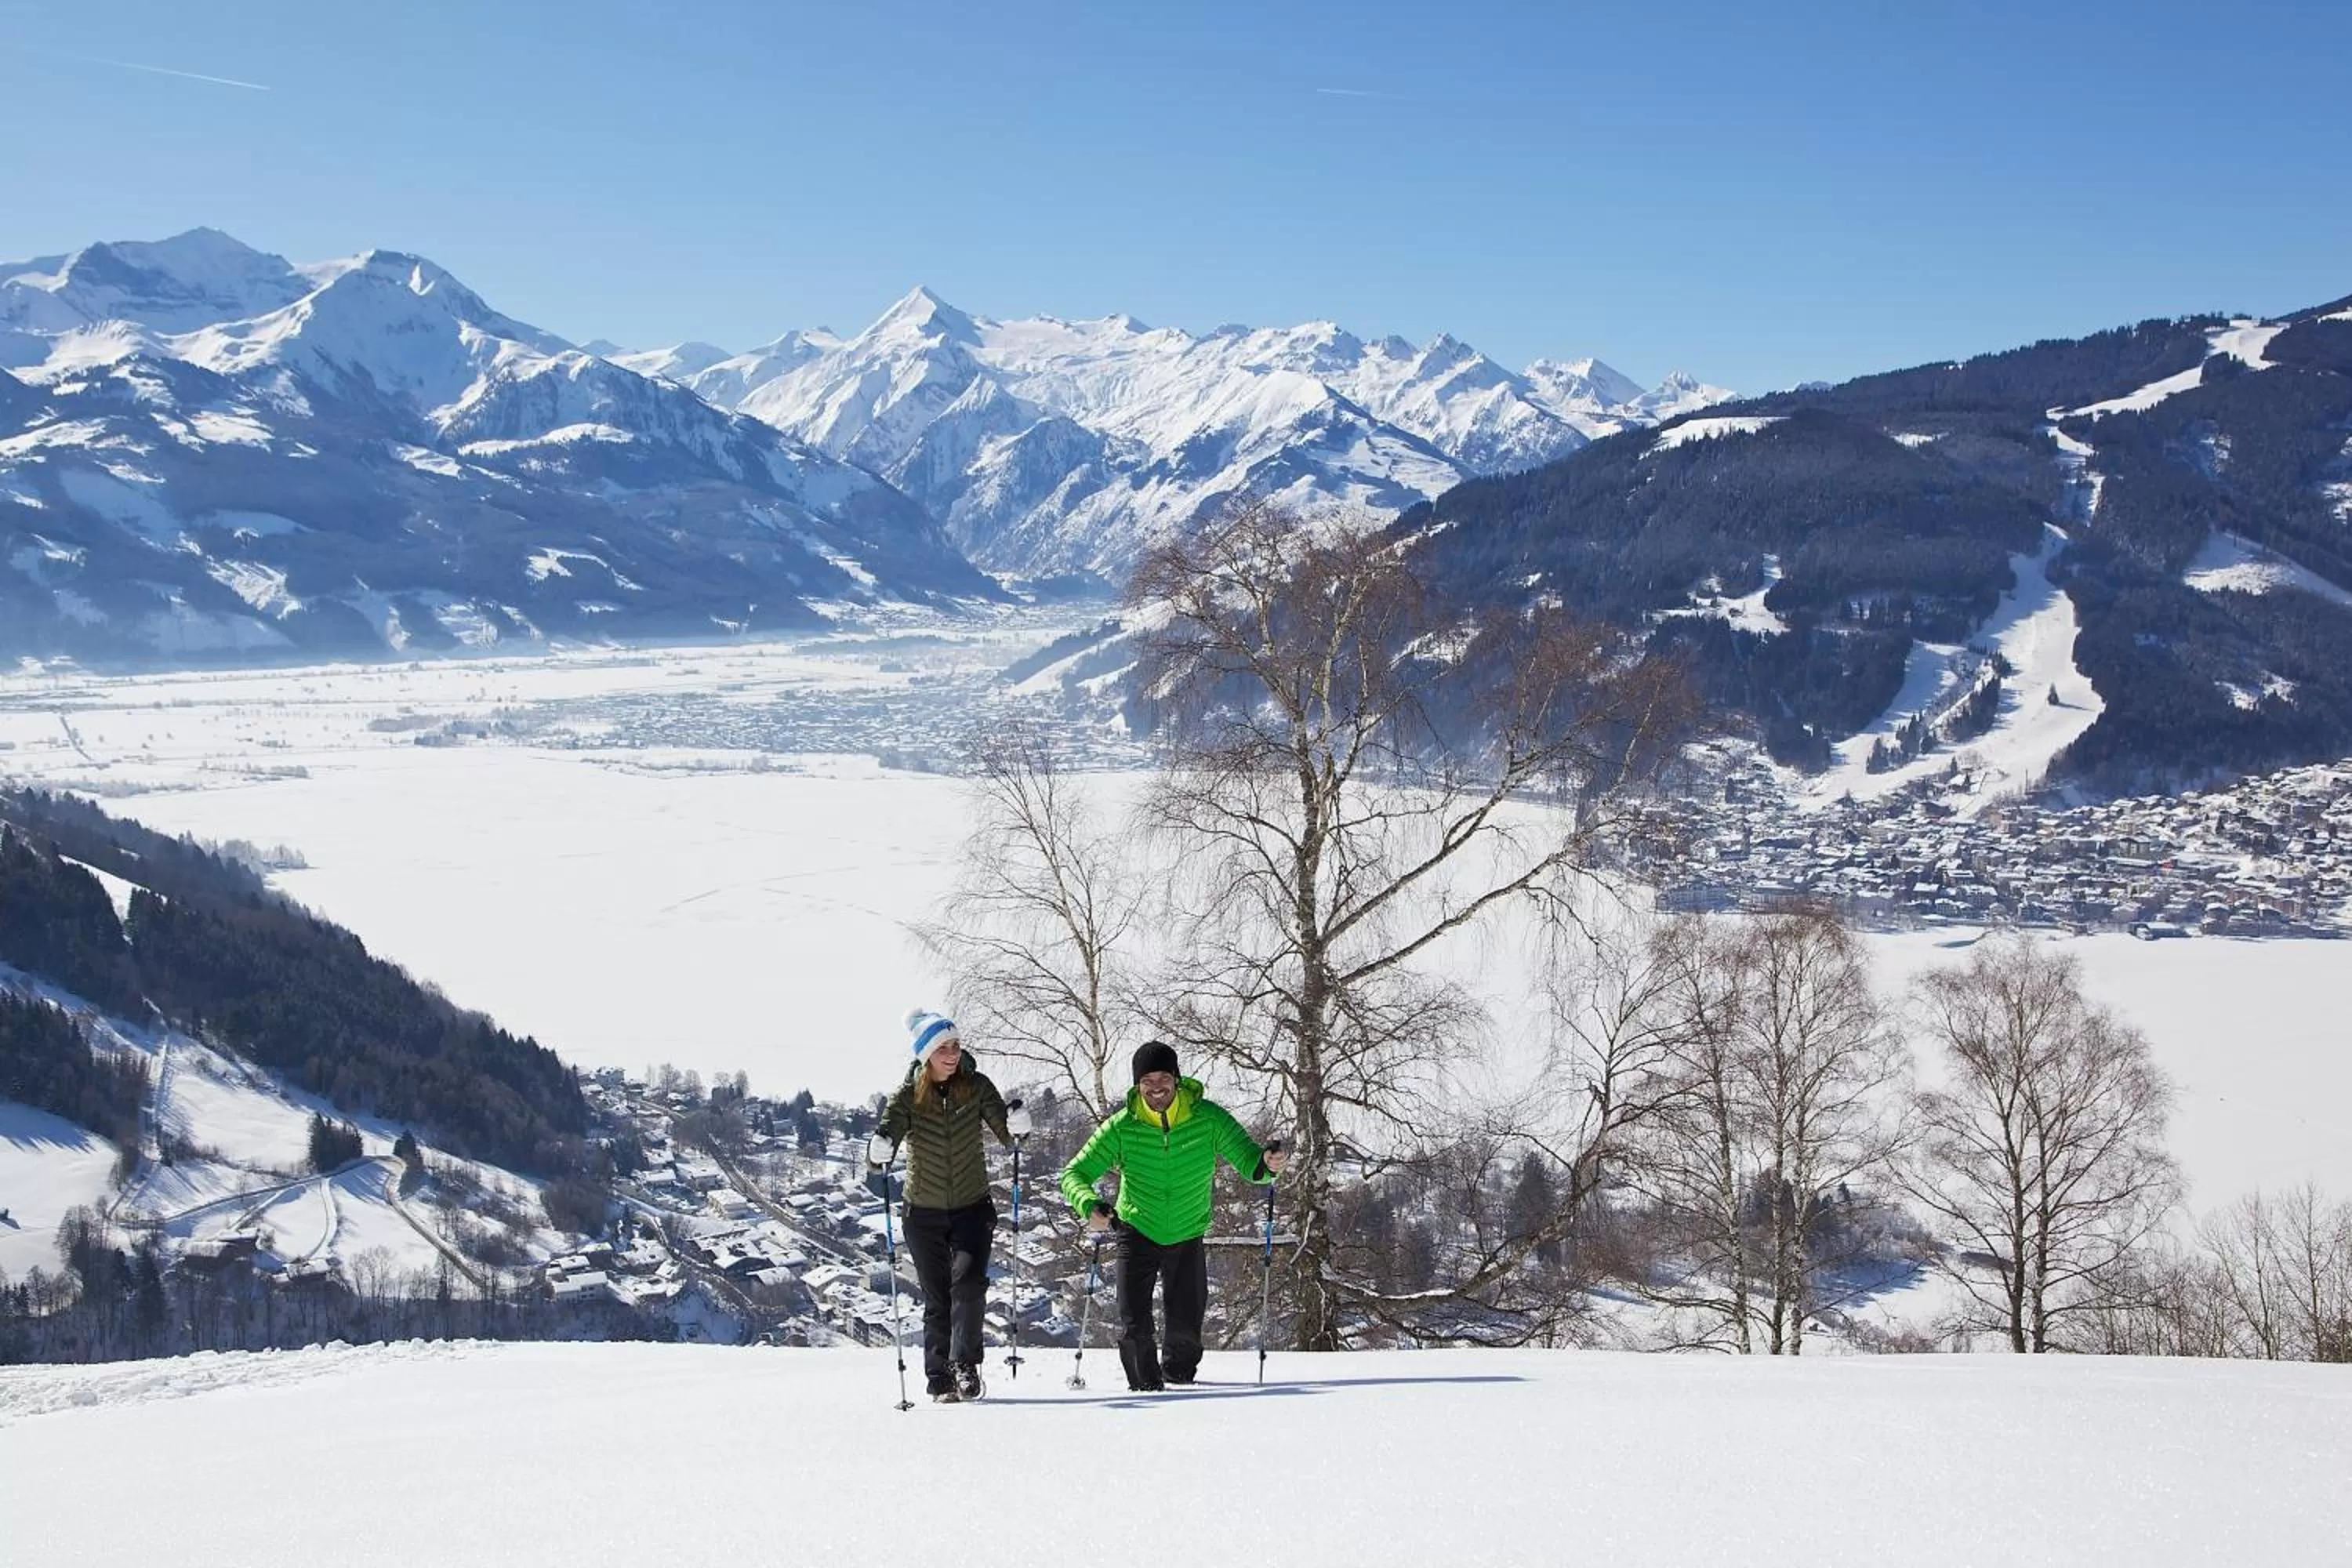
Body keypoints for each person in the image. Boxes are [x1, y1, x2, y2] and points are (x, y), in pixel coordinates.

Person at [1058, 1040, 1285, 1391]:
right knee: (1135, 1326)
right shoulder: (1122, 1127)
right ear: (1137, 1086)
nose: (1156, 1086)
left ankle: (1179, 1382)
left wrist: (1268, 1165)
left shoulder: (1208, 1119)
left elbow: (1251, 1163)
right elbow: (1073, 1174)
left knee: (1185, 1327)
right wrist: (1090, 1205)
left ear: (1177, 1079)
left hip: (1187, 1229)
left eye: (1164, 1077)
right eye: (1147, 1080)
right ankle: (1145, 1389)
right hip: (1137, 1228)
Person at [866, 1010, 1025, 1403]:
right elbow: (882, 1149)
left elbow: (1008, 1137)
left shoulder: (976, 1087)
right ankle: (938, 1380)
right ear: (926, 1054)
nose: (952, 1054)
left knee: (969, 1285)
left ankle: (965, 1366)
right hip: (922, 1211)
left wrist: (1018, 1127)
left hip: (973, 1205)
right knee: (938, 1298)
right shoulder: (906, 1097)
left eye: (955, 1046)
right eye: (943, 1048)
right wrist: (877, 1152)